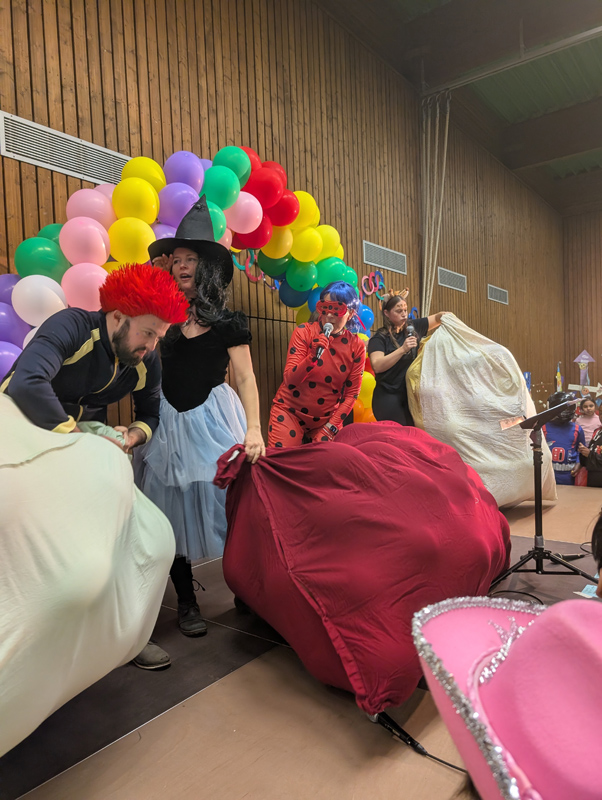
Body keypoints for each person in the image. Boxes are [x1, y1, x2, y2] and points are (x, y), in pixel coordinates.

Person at [1, 262, 190, 670]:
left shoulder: (146, 359)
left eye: (158, 337)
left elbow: (150, 414)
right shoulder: (71, 324)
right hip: (19, 431)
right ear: (118, 317)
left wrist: (129, 437)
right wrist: (79, 437)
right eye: (147, 333)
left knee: (130, 537)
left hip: (80, 445)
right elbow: (27, 383)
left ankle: (127, 636)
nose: (151, 346)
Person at [144, 198, 265, 638]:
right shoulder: (162, 315)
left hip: (213, 420)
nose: (181, 265)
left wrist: (254, 428)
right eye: (176, 259)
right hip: (169, 423)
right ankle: (186, 601)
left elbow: (246, 377)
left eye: (190, 259)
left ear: (208, 266)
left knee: (232, 508)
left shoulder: (229, 321)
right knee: (169, 510)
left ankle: (247, 588)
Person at [267, 281, 365, 448]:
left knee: (329, 463)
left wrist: (329, 429)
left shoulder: (356, 346)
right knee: (281, 461)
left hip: (326, 419)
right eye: (325, 308)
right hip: (289, 411)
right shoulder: (304, 332)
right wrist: (312, 357)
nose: (330, 316)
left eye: (337, 309)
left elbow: (351, 395)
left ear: (350, 313)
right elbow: (290, 381)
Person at [367, 292, 447, 426]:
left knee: (414, 433)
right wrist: (402, 349)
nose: (404, 314)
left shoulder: (413, 328)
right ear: (386, 313)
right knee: (399, 434)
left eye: (405, 310)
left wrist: (447, 317)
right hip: (388, 398)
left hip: (410, 396)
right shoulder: (379, 338)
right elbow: (377, 365)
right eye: (399, 311)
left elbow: (438, 317)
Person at [542, 391, 585, 485]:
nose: (565, 411)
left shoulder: (577, 429)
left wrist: (579, 463)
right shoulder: (542, 428)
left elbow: (581, 451)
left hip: (568, 475)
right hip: (546, 474)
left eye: (568, 408)